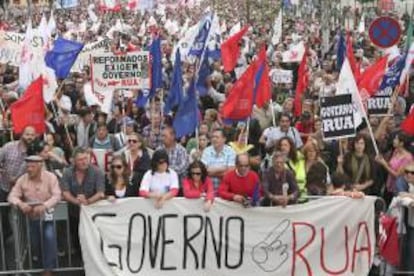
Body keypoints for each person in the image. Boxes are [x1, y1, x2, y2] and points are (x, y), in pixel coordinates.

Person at [8, 155, 61, 276]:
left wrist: (45, 205)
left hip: (48, 216)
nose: (29, 169)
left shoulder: (51, 177)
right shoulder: (22, 179)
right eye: (27, 166)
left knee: (49, 238)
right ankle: (40, 264)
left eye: (32, 166)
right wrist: (20, 204)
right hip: (31, 218)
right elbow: (12, 196)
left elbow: (57, 195)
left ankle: (48, 270)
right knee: (35, 242)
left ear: (40, 166)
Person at [60, 147, 105, 251]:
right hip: (74, 211)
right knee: (76, 236)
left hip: (92, 212)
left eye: (86, 158)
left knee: (93, 238)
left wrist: (87, 201)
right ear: (74, 161)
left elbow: (100, 192)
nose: (84, 162)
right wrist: (77, 202)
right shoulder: (67, 172)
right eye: (80, 159)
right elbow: (65, 192)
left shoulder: (97, 172)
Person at [395, 163, 414, 272]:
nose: (408, 175)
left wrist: (409, 196)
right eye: (406, 172)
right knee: (408, 248)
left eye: (412, 173)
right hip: (410, 223)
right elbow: (401, 194)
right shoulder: (408, 184)